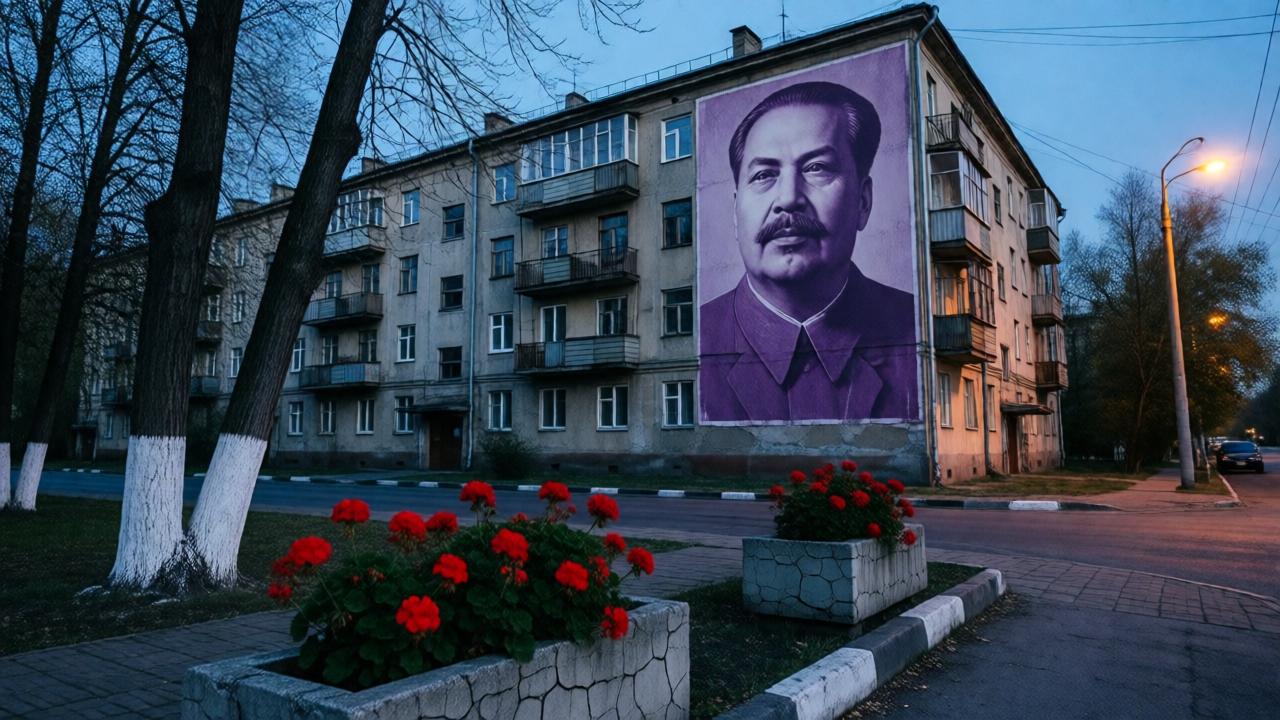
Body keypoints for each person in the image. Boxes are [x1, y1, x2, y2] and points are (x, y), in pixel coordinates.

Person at [700, 80, 917, 422]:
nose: (788, 198)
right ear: (735, 211)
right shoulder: (698, 335)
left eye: (816, 167)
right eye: (763, 175)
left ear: (863, 201)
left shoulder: (914, 328)